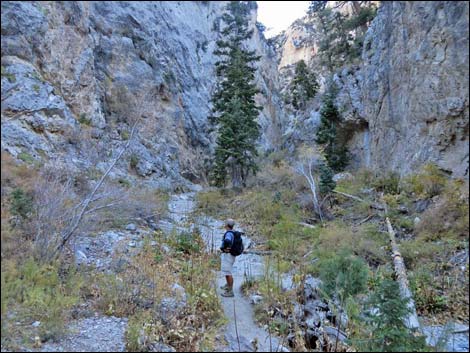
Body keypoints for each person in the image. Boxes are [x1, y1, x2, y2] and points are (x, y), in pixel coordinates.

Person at [220, 218, 237, 297]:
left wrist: (225, 248)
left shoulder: (228, 234)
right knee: (227, 271)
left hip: (228, 255)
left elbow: (227, 241)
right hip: (231, 255)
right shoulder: (233, 232)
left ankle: (230, 291)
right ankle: (228, 285)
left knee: (227, 272)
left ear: (226, 225)